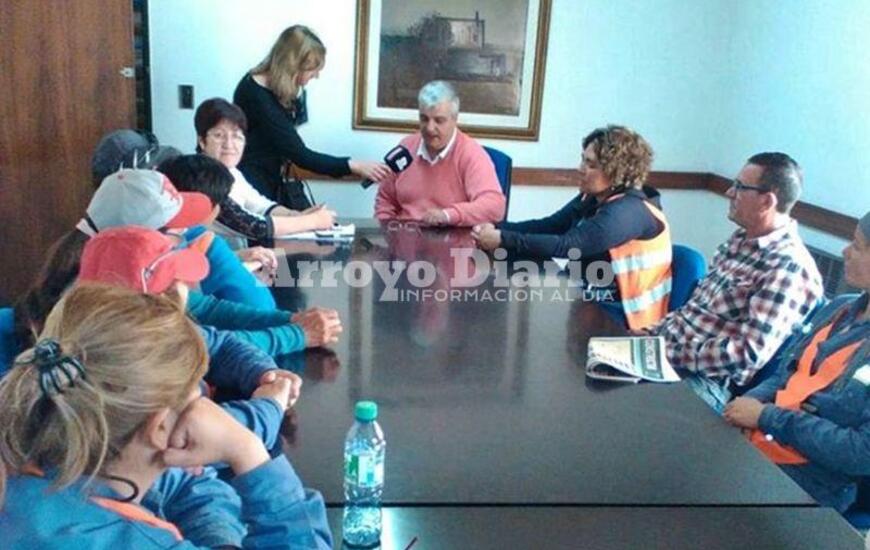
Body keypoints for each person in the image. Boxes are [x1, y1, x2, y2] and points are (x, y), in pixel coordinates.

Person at [0, 285, 332, 548]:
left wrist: (219, 541)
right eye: (198, 396)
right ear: (160, 427)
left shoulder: (50, 447)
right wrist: (250, 454)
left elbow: (187, 481)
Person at [647, 152, 824, 411]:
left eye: (740, 187)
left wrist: (663, 351)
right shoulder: (741, 240)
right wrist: (650, 335)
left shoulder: (788, 267)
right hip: (665, 354)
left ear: (766, 201)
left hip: (704, 382)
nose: (730, 192)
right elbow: (693, 312)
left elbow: (745, 354)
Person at [724, 211, 870, 513]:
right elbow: (785, 375)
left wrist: (766, 418)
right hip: (761, 442)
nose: (846, 251)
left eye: (857, 246)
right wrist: (747, 407)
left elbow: (860, 452)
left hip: (811, 481)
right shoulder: (840, 309)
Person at [473, 125, 672, 329]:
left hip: (621, 316)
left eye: (590, 164)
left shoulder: (629, 211)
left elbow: (569, 246)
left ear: (616, 172)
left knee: (514, 269)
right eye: (583, 160)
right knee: (513, 261)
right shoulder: (595, 197)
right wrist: (497, 229)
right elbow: (550, 226)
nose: (580, 169)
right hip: (586, 294)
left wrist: (502, 238)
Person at [233, 25, 389, 207]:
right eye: (312, 70)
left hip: (269, 180)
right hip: (255, 186)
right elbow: (300, 154)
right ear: (293, 65)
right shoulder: (257, 97)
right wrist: (354, 166)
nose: (316, 76)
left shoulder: (274, 90)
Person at [194, 98, 337, 246]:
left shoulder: (231, 172)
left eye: (237, 136)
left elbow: (262, 206)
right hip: (206, 263)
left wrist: (297, 215)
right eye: (219, 136)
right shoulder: (200, 177)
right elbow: (253, 226)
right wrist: (312, 221)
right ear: (202, 141)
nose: (229, 144)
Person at [374, 80, 506, 226]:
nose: (430, 128)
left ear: (455, 119)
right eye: (424, 119)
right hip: (405, 240)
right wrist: (386, 234)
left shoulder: (471, 154)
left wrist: (448, 215)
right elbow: (385, 201)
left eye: (439, 120)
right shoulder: (406, 147)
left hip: (452, 241)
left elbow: (495, 206)